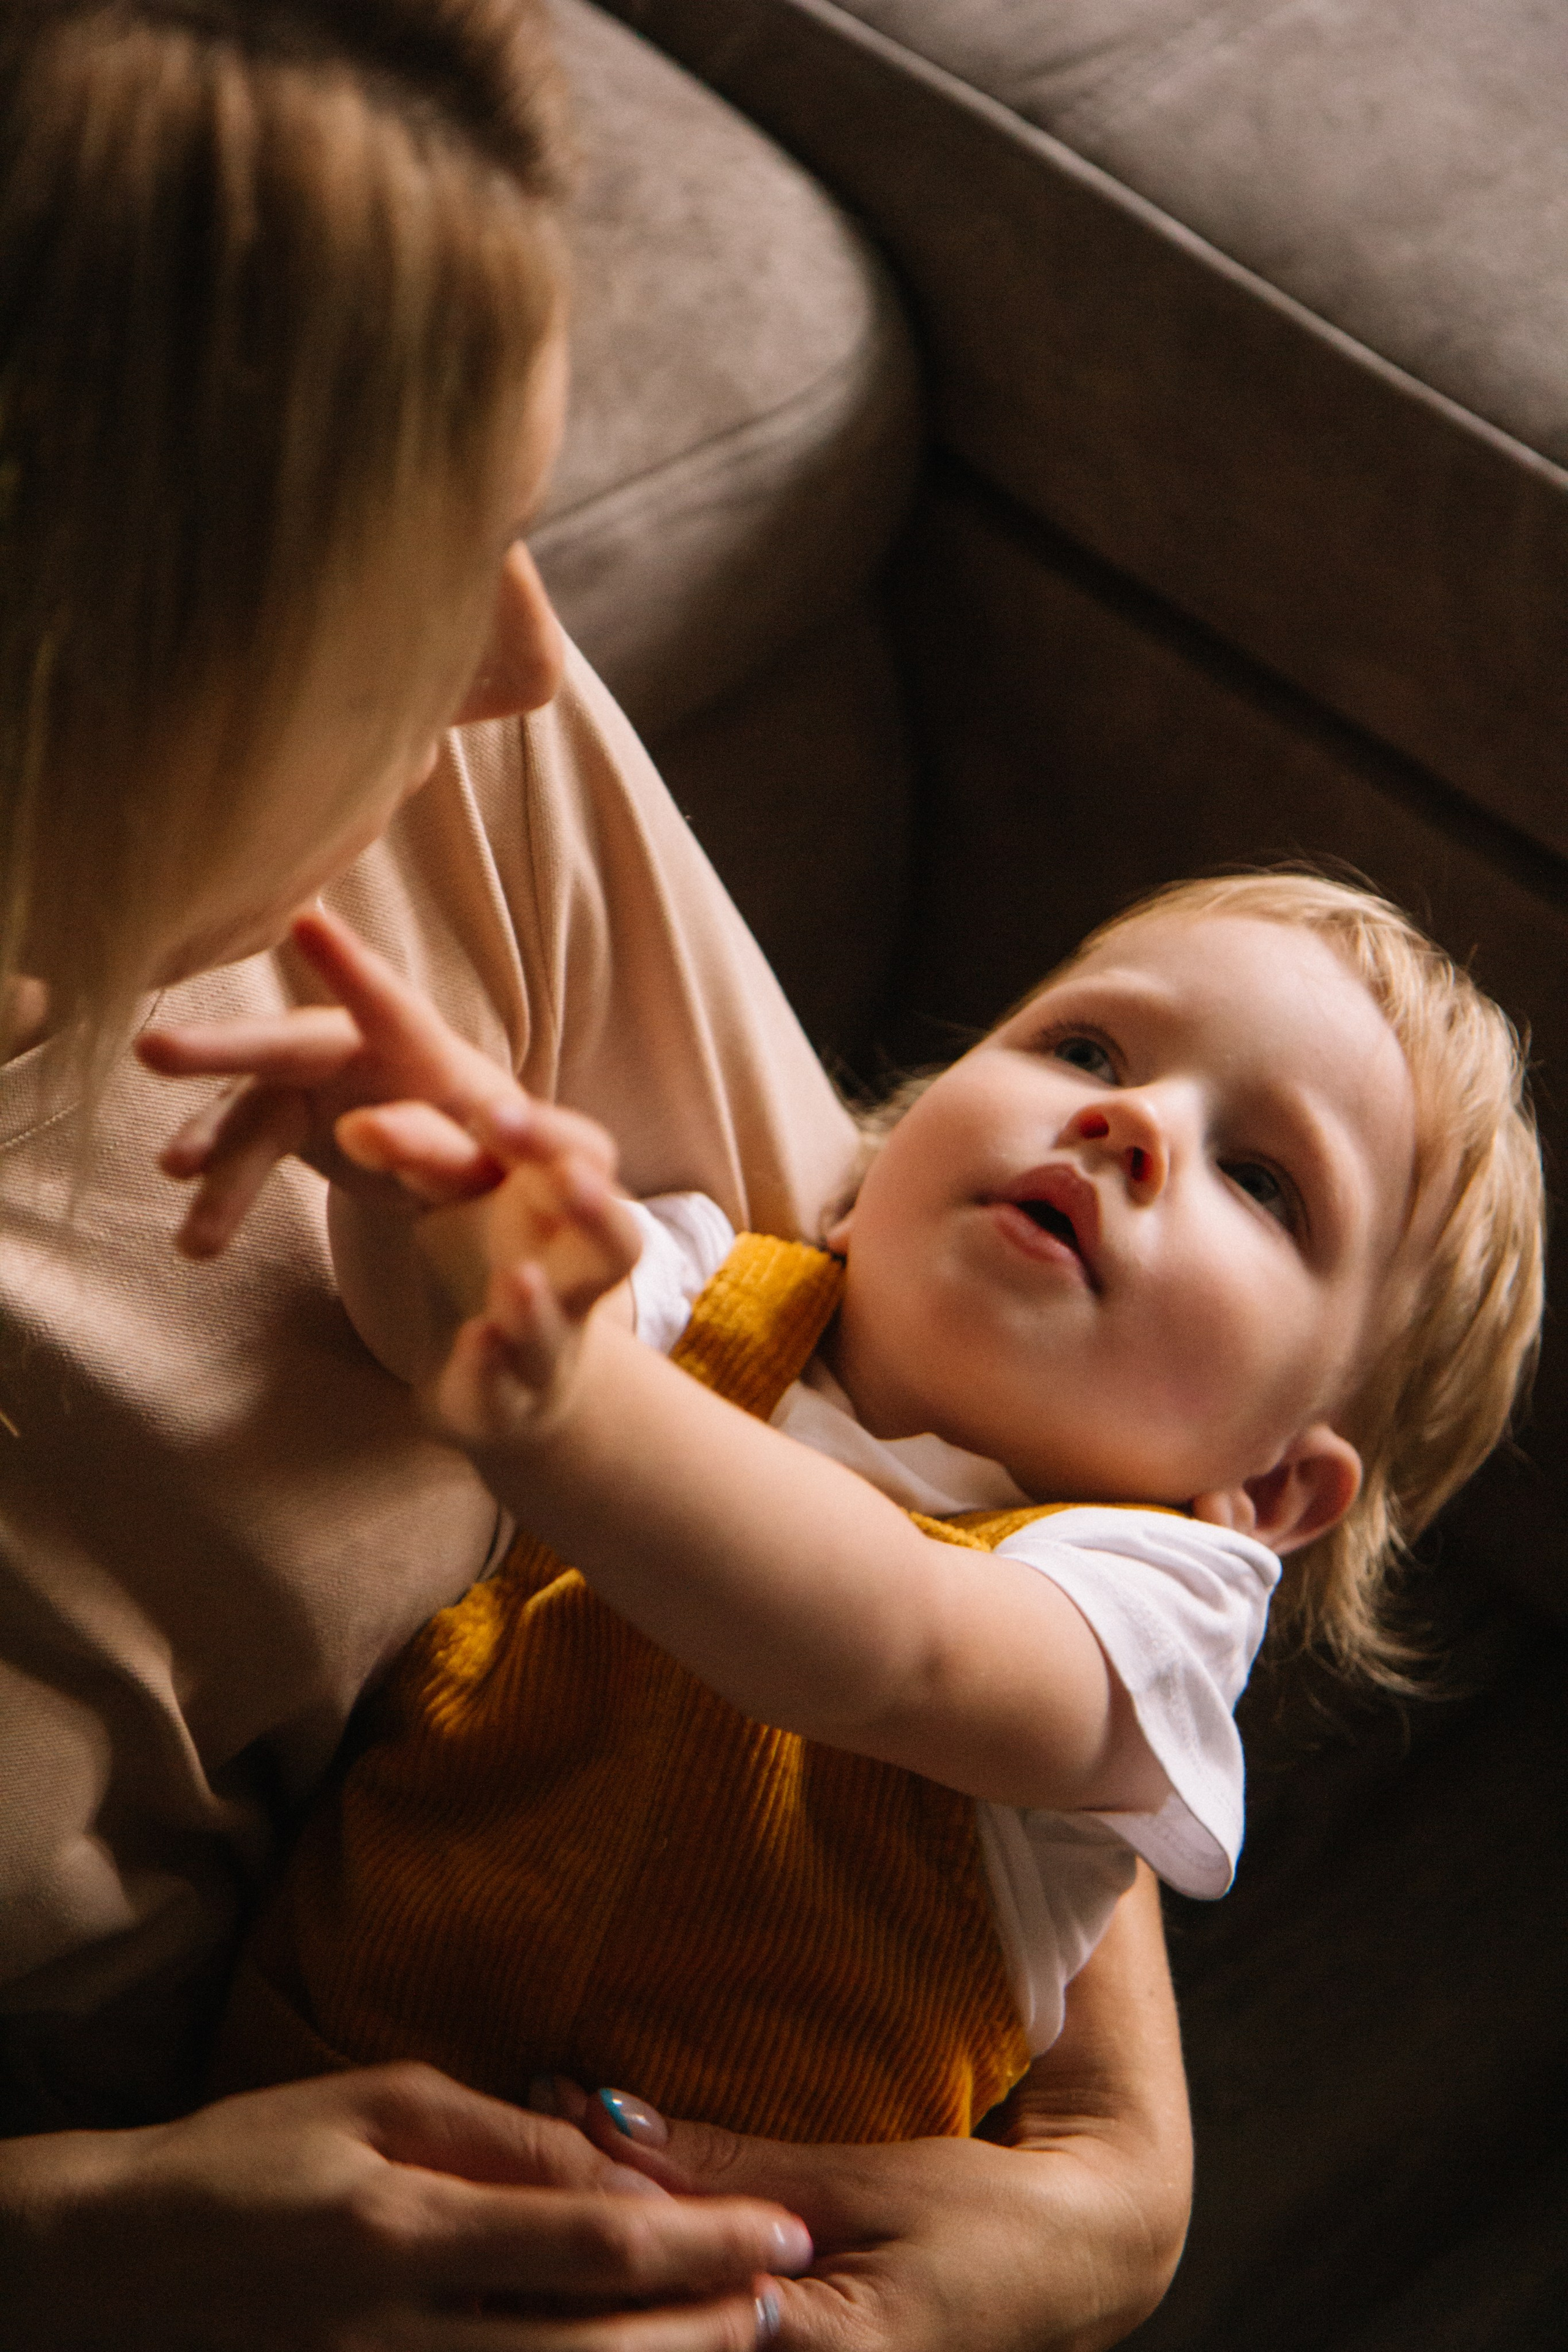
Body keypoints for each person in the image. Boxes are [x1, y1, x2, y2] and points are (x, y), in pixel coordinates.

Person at [0, 4, 1194, 2345]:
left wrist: (1100, 2187)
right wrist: (90, 2239)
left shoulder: (427, 791)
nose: (527, 665)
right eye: (422, 578)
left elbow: (939, 1456)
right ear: (87, 640)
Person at [175, 873, 1542, 2144]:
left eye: (1259, 1180)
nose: (1128, 1122)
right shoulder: (704, 1288)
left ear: (1269, 1488)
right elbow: (444, 1339)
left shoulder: (1148, 1618)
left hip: (659, 2286)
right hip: (286, 2104)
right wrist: (410, 1175)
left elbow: (894, 1645)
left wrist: (567, 1400)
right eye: (1085, 1052)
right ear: (871, 1167)